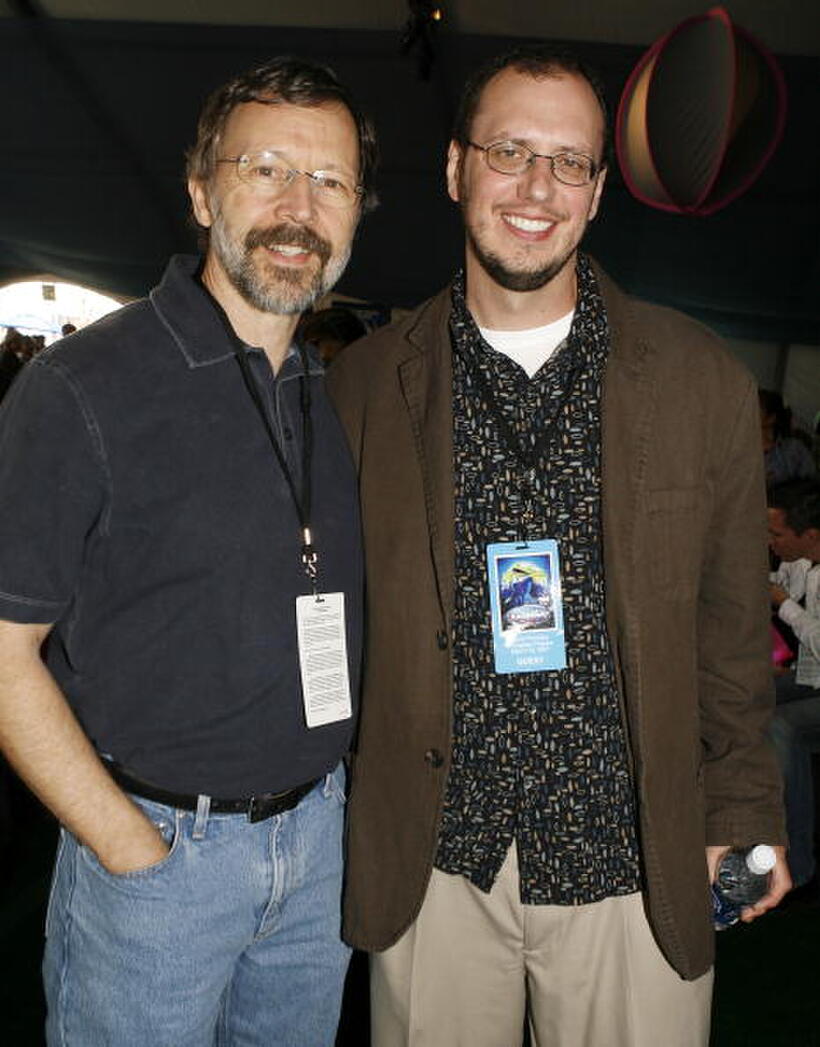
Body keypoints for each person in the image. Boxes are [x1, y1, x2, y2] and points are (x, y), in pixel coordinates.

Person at [327, 46, 789, 1047]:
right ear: (456, 168)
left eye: (569, 162)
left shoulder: (700, 380)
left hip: (630, 863)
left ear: (598, 190)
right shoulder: (363, 386)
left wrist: (743, 810)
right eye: (509, 152)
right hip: (438, 863)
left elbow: (730, 634)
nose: (538, 188)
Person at [0, 56, 375, 1046]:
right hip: (160, 858)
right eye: (266, 169)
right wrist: (131, 847)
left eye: (330, 181)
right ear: (202, 192)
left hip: (317, 850)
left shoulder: (328, 395)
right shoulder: (82, 387)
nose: (298, 208)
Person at [768, 478, 820, 888]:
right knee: (747, 694)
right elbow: (786, 583)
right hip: (811, 676)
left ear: (810, 535)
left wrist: (783, 604)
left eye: (777, 534)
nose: (770, 542)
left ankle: (799, 862)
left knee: (781, 726)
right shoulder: (807, 564)